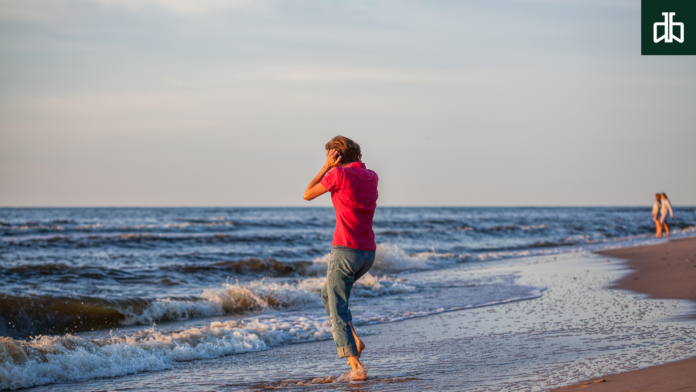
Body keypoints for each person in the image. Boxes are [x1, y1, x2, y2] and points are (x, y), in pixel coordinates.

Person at [303, 136, 378, 378]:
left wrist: (326, 167)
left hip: (345, 251)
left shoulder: (338, 175)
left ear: (336, 157)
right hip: (367, 254)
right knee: (329, 295)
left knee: (336, 307)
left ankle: (355, 364)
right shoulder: (372, 176)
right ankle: (355, 341)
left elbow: (307, 194)